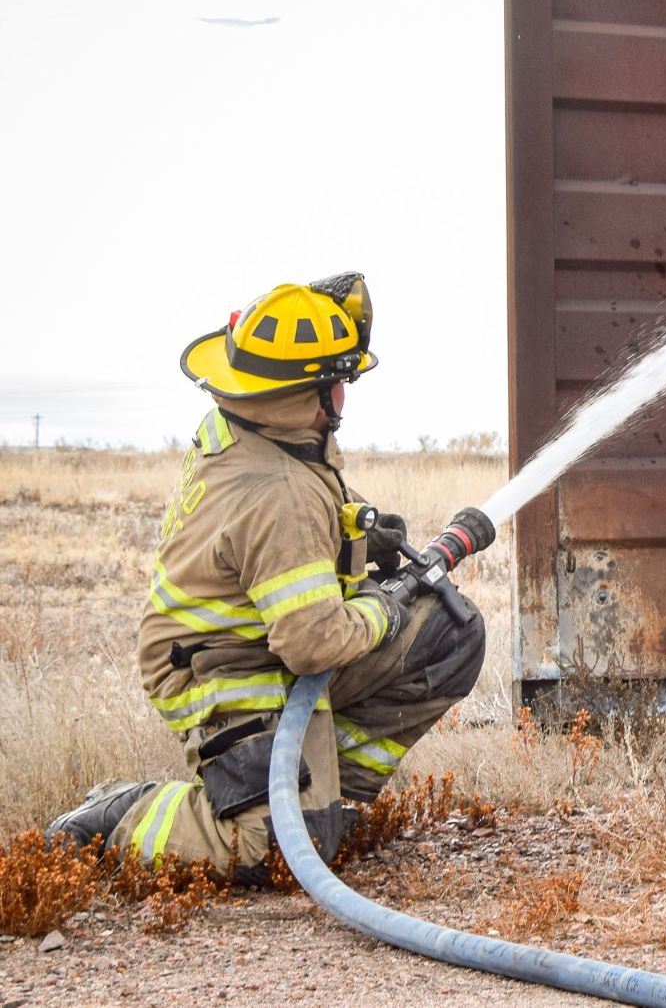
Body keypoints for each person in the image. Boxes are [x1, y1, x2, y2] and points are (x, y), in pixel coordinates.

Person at [47, 274, 486, 882]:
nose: (345, 396)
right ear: (315, 393)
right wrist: (380, 614)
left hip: (261, 636)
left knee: (448, 636)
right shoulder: (276, 494)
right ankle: (123, 814)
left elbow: (291, 515)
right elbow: (309, 641)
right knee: (273, 849)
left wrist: (355, 529)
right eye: (340, 382)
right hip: (217, 662)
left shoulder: (258, 425)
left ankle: (333, 797)